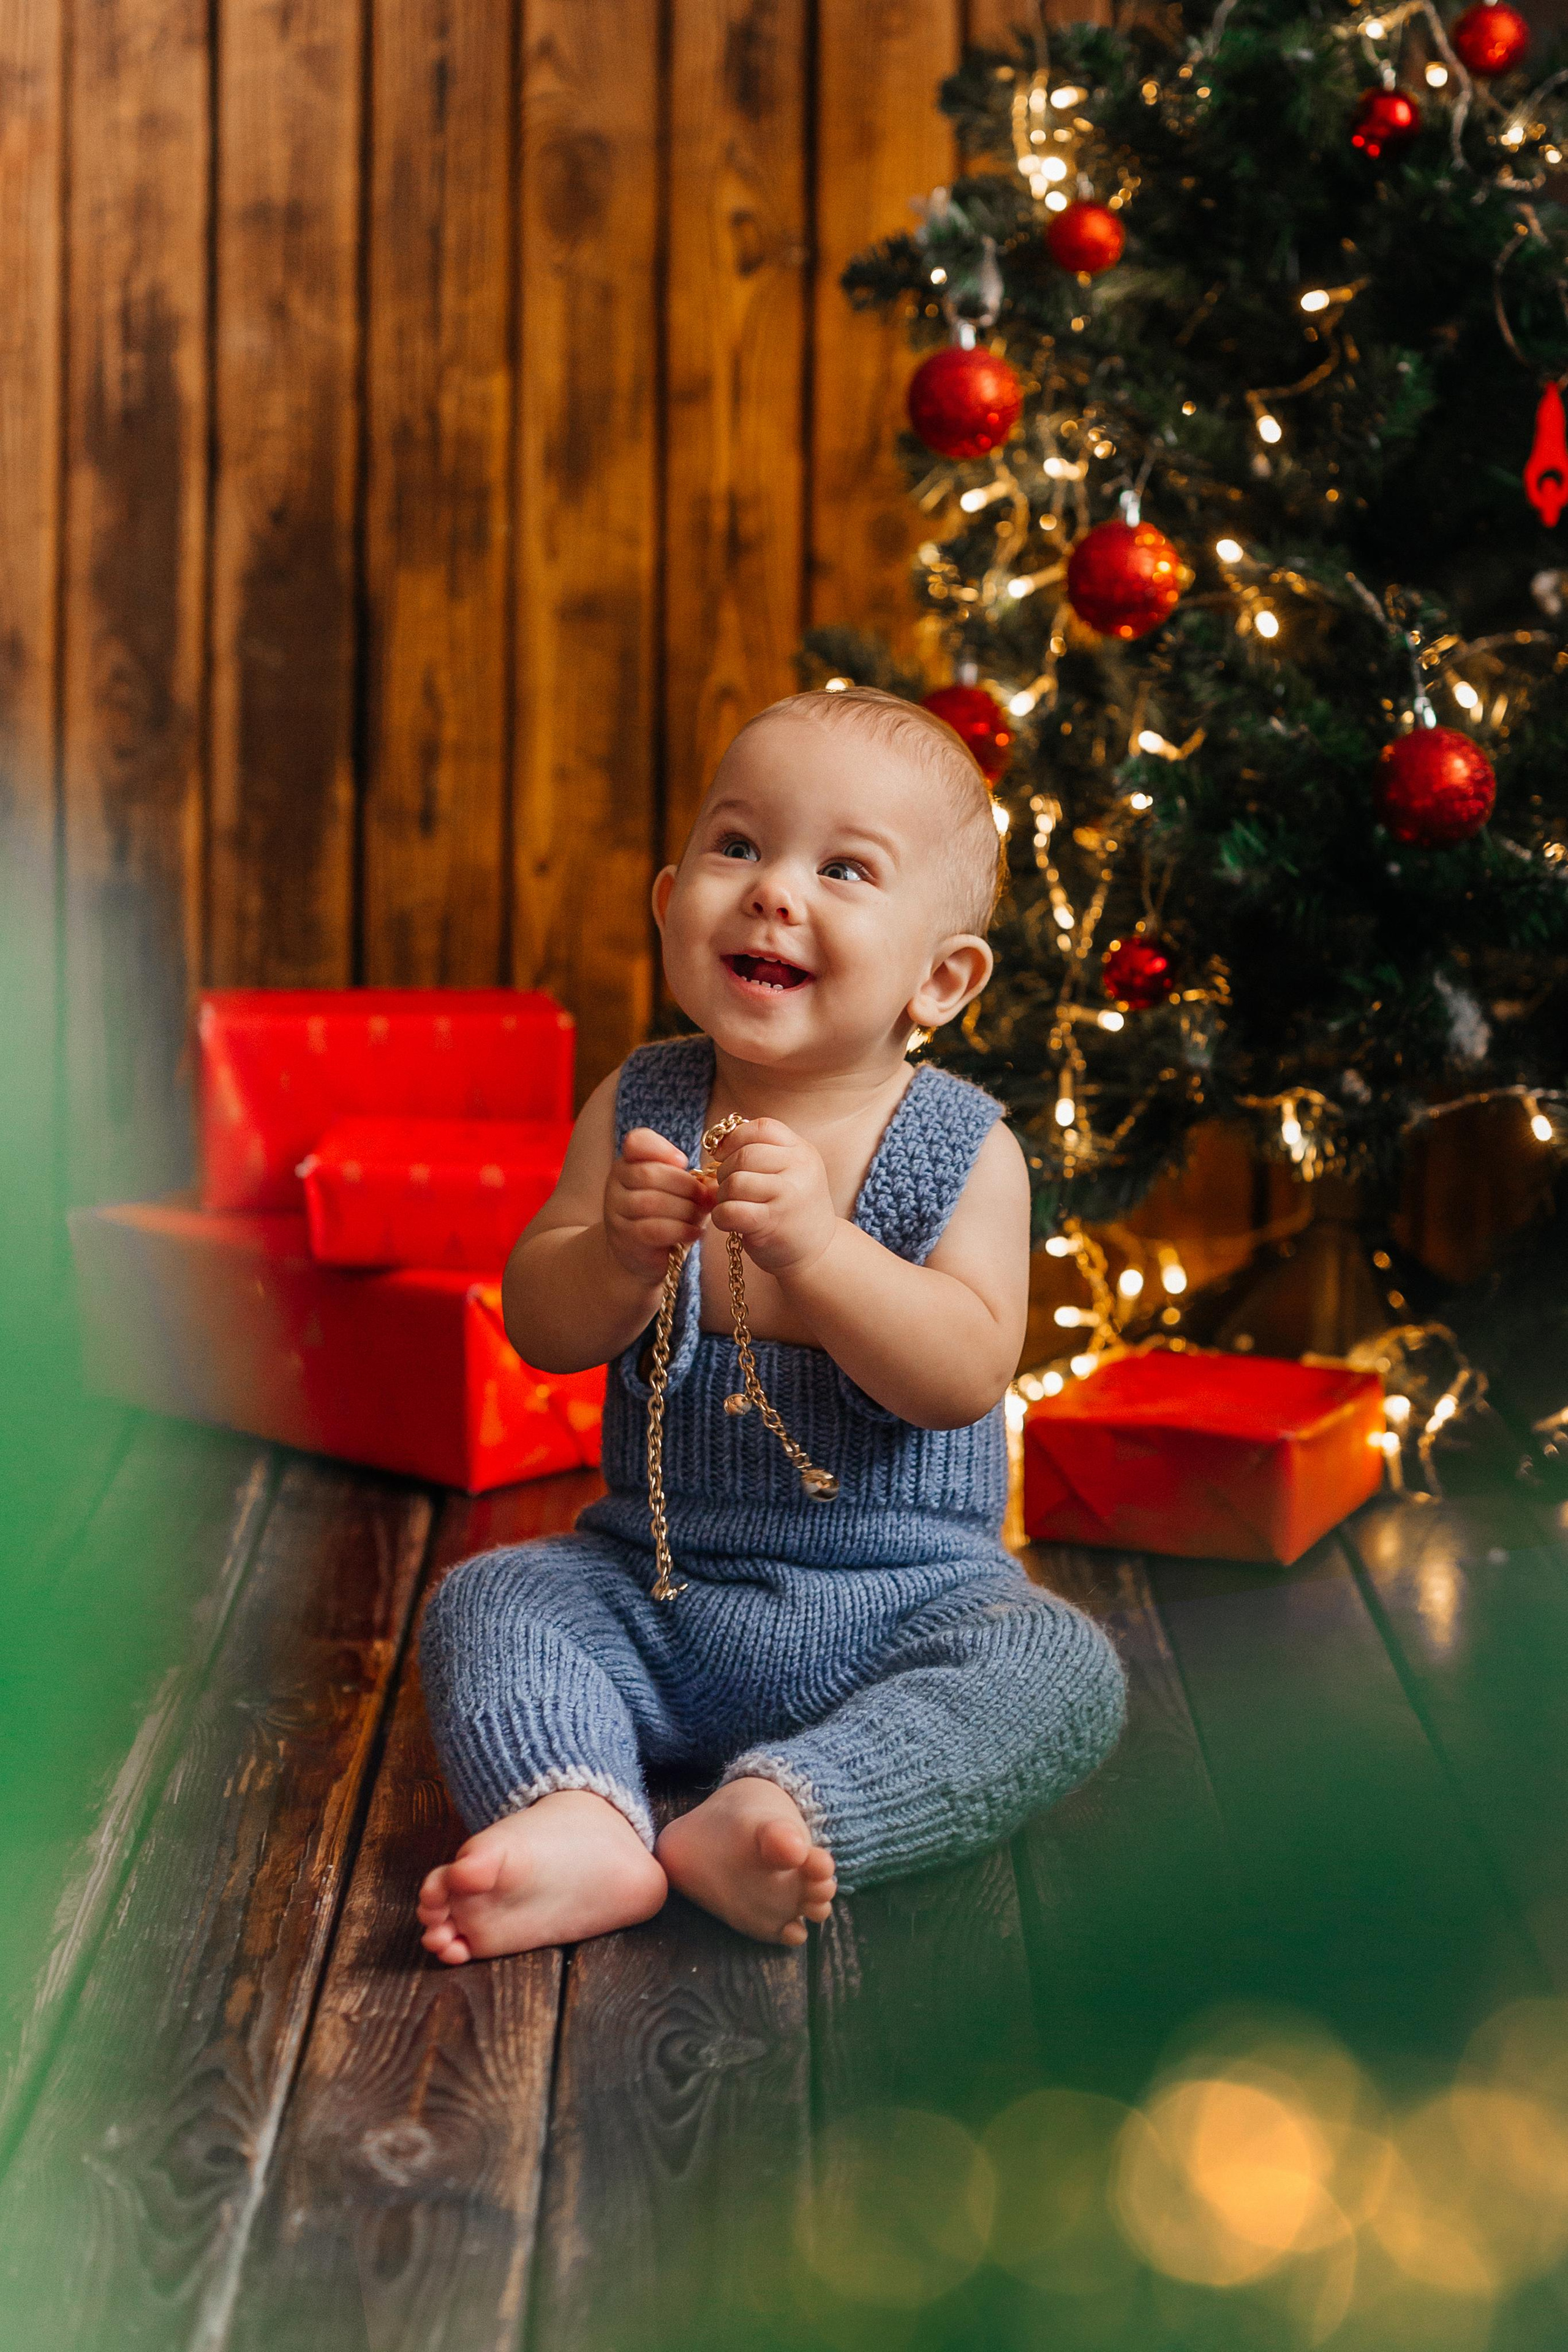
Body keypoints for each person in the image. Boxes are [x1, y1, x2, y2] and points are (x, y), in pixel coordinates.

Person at [416, 685, 1125, 1964]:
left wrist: (822, 1249)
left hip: (904, 1607)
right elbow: (542, 1325)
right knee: (492, 1598)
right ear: (667, 898)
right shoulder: (642, 1103)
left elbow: (965, 1372)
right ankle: (580, 1815)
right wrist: (615, 1259)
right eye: (738, 846)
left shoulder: (962, 1148)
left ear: (942, 978)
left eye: (843, 869)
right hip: (657, 1589)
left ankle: (788, 1810)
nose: (773, 893)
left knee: (1060, 1670)